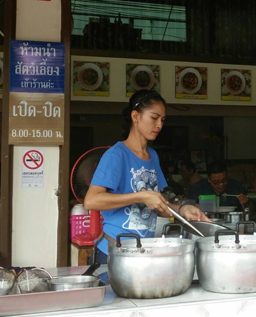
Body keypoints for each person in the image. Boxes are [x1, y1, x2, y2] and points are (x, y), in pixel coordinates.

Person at [84, 90, 208, 260]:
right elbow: (91, 201)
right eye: (154, 118)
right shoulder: (117, 154)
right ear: (135, 116)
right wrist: (140, 196)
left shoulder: (152, 156)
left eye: (162, 120)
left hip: (141, 253)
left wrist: (183, 210)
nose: (159, 125)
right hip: (113, 252)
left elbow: (156, 204)